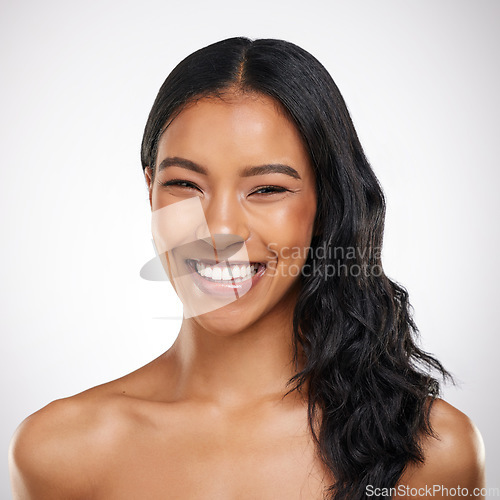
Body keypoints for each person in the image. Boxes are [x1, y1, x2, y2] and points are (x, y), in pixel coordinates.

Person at [9, 37, 485, 500]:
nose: (219, 229)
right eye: (185, 184)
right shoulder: (58, 452)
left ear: (327, 205)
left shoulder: (432, 454)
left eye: (267, 189)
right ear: (150, 190)